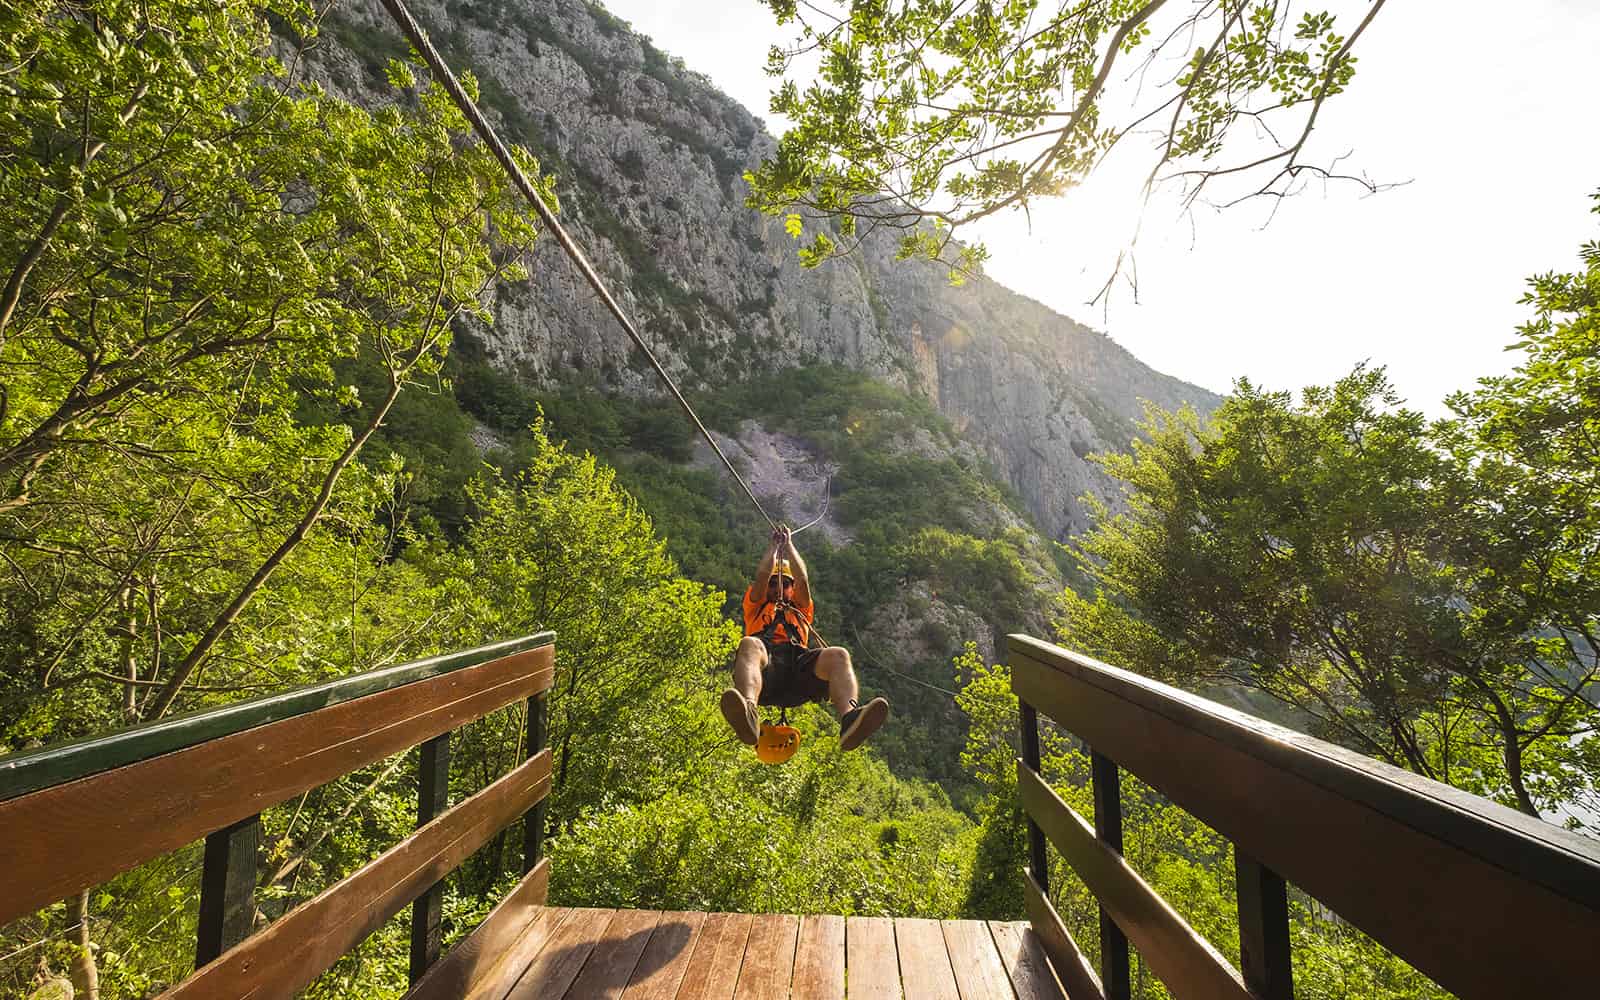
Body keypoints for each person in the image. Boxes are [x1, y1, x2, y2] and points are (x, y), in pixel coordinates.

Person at [721, 524, 889, 751]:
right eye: (773, 583)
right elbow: (761, 577)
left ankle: (850, 718)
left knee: (839, 655)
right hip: (767, 673)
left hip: (799, 673)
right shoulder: (756, 607)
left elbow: (802, 579)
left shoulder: (802, 609)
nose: (778, 586)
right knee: (750, 644)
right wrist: (773, 548)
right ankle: (749, 711)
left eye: (784, 583)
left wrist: (788, 546)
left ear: (792, 588)